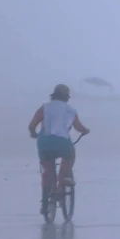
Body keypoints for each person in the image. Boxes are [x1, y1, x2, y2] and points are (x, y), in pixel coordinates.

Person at [29, 84, 90, 212]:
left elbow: (32, 125)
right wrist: (85, 130)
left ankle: (45, 200)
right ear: (67, 97)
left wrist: (33, 134)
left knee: (47, 170)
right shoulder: (70, 110)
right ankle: (61, 185)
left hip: (44, 143)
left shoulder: (44, 107)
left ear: (53, 94)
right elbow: (78, 127)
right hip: (62, 143)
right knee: (69, 156)